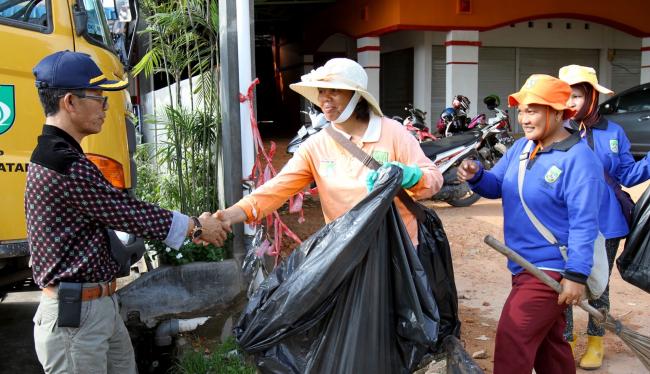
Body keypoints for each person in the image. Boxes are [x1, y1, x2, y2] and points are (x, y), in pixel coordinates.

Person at [26, 50, 228, 374]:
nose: (106, 106)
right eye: (98, 96)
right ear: (69, 102)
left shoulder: (61, 156)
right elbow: (126, 211)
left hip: (97, 306)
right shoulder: (62, 163)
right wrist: (196, 226)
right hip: (76, 319)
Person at [457, 74, 606, 374]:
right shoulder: (522, 149)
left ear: (557, 112)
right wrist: (476, 175)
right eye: (522, 110)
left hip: (551, 270)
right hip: (523, 266)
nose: (524, 118)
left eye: (533, 110)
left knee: (513, 337)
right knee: (551, 348)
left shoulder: (580, 160)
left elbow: (584, 223)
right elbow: (496, 184)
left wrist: (576, 276)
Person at [214, 57, 443, 247]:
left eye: (335, 90)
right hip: (345, 250)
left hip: (399, 250)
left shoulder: (392, 132)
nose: (325, 98)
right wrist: (229, 215)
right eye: (322, 91)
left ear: (357, 97)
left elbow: (433, 180)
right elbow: (276, 190)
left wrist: (408, 175)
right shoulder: (316, 146)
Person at [559, 64, 650, 369]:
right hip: (566, 222)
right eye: (566, 96)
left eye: (576, 96)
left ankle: (596, 341)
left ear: (593, 97)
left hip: (607, 223)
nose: (570, 103)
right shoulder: (556, 131)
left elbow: (628, 174)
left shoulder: (614, 132)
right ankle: (566, 338)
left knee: (598, 285)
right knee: (564, 281)